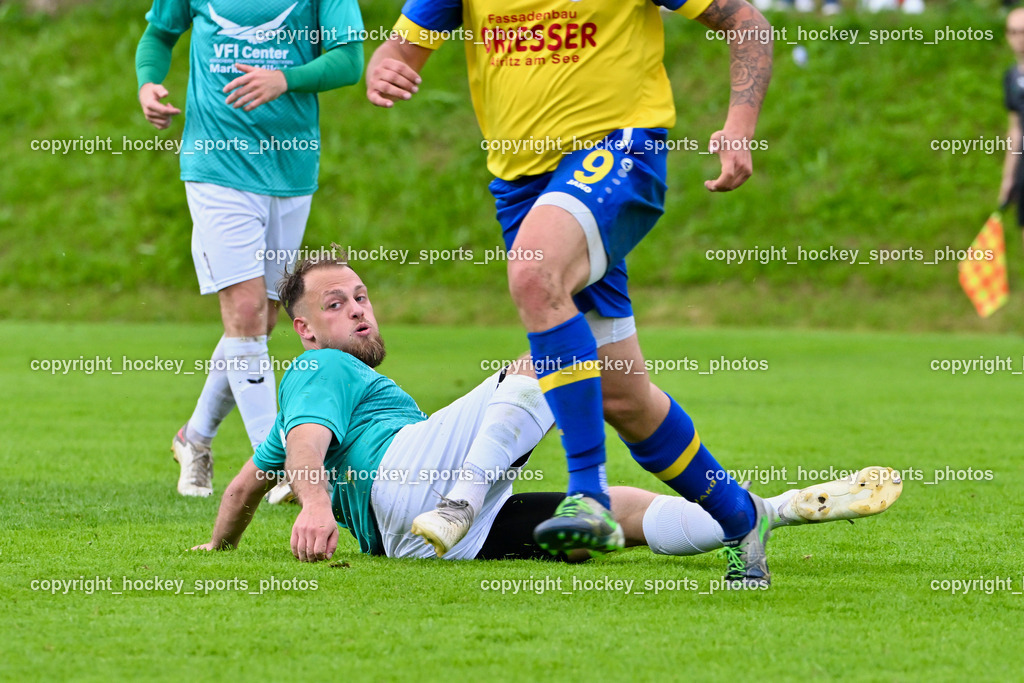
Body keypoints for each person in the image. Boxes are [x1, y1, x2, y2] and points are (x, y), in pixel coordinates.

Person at [365, 0, 784, 586]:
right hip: (521, 186)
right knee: (624, 399)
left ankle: (589, 495)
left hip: (619, 153)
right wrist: (384, 65)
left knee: (534, 275)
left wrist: (740, 124)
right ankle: (743, 520)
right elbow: (402, 49)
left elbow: (746, 21)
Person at [191, 253, 904, 566]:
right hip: (408, 488)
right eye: (335, 304)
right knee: (552, 355)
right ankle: (464, 498)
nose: (359, 311)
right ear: (306, 329)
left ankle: (770, 510)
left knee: (617, 514)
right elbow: (309, 447)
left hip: (407, 539)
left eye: (362, 296)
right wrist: (316, 509)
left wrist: (217, 548)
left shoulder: (328, 387)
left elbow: (245, 485)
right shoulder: (320, 365)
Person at [134, 0, 365, 500]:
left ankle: (193, 438)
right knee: (243, 310)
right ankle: (279, 461)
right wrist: (148, 84)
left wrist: (285, 79)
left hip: (290, 169)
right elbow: (157, 36)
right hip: (215, 167)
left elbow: (350, 61)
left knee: (261, 321)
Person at [1001, 7, 1024, 229]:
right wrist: (1009, 177)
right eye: (1014, 32)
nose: (1019, 39)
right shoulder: (1011, 77)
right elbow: (1015, 129)